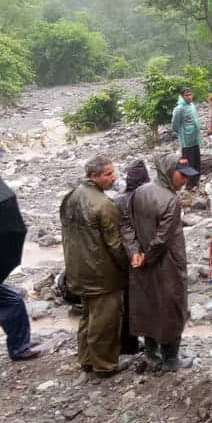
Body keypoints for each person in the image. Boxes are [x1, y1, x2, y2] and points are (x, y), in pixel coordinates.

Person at [121, 152, 195, 372]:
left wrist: (134, 252)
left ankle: (152, 354)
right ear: (168, 172)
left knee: (148, 304)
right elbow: (162, 239)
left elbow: (125, 223)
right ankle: (171, 359)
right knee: (174, 306)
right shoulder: (171, 201)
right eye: (181, 175)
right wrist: (147, 256)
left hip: (142, 263)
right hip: (168, 263)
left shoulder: (139, 192)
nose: (185, 180)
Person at [60, 155, 131, 378]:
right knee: (105, 320)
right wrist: (128, 267)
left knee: (87, 317)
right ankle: (105, 364)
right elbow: (115, 245)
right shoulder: (104, 205)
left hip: (77, 269)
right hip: (102, 274)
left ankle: (86, 359)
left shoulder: (70, 196)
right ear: (94, 176)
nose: (113, 177)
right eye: (108, 174)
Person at [112, 160, 150, 355]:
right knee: (147, 300)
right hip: (144, 258)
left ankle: (128, 343)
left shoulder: (117, 202)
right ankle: (150, 342)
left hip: (121, 259)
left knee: (125, 301)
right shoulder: (147, 200)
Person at [171, 87, 202, 189]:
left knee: (197, 160)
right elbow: (175, 125)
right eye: (186, 95)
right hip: (186, 140)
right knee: (189, 162)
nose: (189, 97)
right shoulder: (179, 109)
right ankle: (189, 184)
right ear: (182, 96)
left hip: (195, 139)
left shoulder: (192, 105)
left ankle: (196, 181)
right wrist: (182, 132)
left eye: (190, 94)